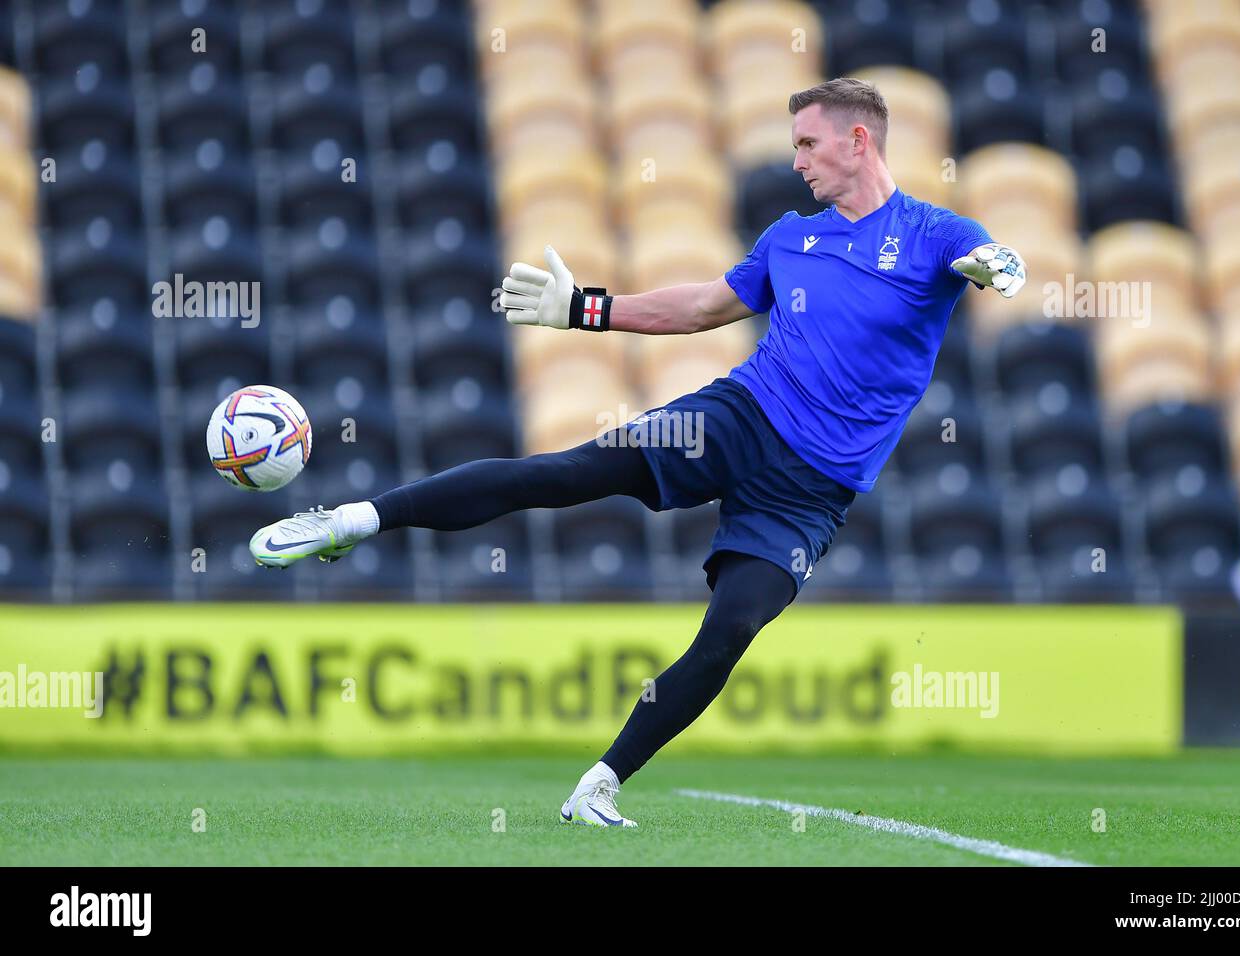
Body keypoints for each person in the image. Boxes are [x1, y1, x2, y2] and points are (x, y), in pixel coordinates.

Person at [247, 77, 1027, 827]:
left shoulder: (933, 234)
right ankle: (351, 520)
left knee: (730, 633)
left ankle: (599, 784)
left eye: (807, 143)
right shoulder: (791, 238)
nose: (796, 161)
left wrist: (1001, 264)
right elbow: (698, 309)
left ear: (859, 141)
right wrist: (585, 308)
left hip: (813, 490)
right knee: (564, 473)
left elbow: (990, 257)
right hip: (740, 417)